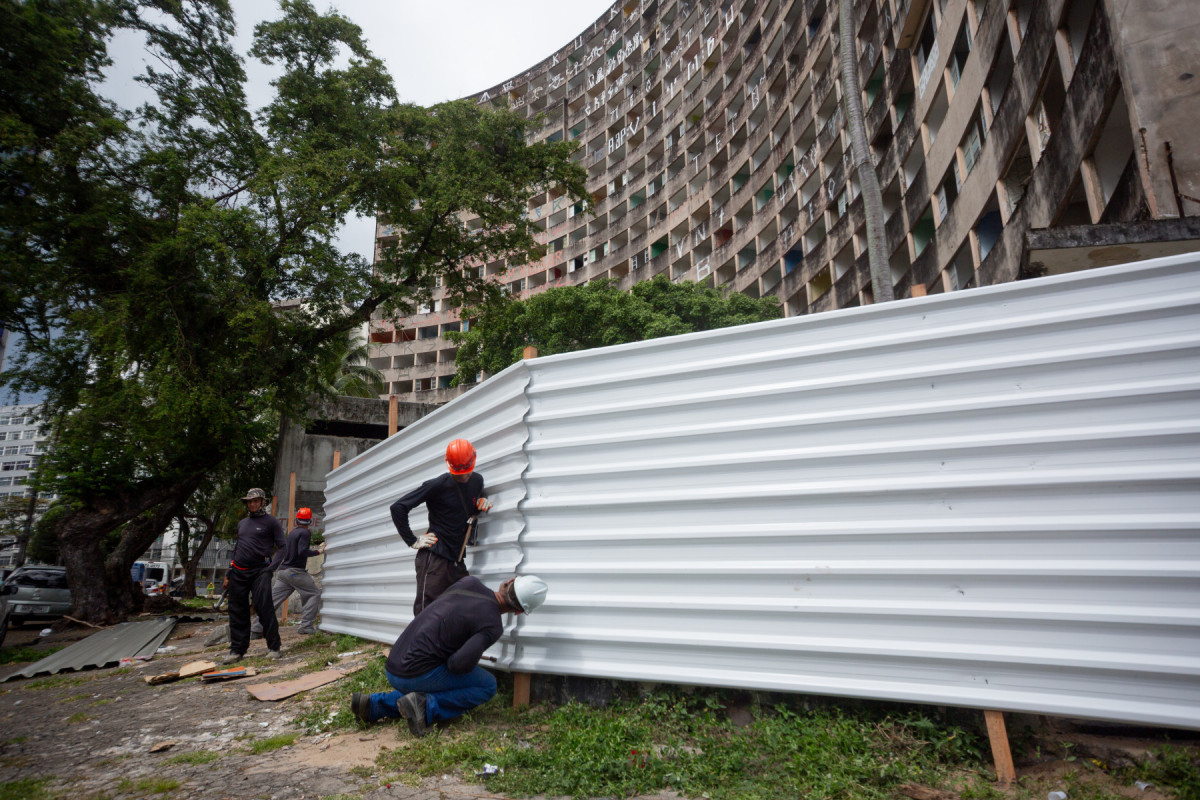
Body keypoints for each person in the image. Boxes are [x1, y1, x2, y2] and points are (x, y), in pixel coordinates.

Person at [349, 574, 548, 736]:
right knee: (488, 685)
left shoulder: (468, 582)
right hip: (413, 675)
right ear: (519, 612)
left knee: (428, 677)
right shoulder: (493, 625)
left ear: (508, 581)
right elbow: (457, 665)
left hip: (394, 664)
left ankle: (372, 705)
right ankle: (426, 706)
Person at [390, 439, 493, 616]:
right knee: (427, 613)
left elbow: (464, 507)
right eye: (458, 473)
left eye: (466, 472)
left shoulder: (477, 481)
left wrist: (480, 504)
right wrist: (412, 541)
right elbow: (398, 508)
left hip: (456, 560)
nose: (463, 476)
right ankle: (419, 644)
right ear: (449, 465)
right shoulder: (437, 485)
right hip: (434, 558)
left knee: (463, 607)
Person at [223, 487, 286, 664]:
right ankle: (237, 650)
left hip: (260, 571)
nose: (252, 504)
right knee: (237, 611)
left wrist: (271, 568)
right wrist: (229, 573)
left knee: (264, 608)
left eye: (255, 501)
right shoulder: (242, 523)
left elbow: (283, 547)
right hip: (238, 572)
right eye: (249, 501)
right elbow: (237, 549)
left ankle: (274, 647)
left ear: (262, 502)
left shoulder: (271, 522)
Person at [250, 507, 326, 638]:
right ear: (310, 521)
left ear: (297, 520)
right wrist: (319, 551)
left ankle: (256, 629)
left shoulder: (292, 533)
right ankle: (306, 626)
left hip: (283, 572)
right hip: (295, 572)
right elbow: (302, 551)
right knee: (313, 594)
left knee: (272, 602)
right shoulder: (305, 533)